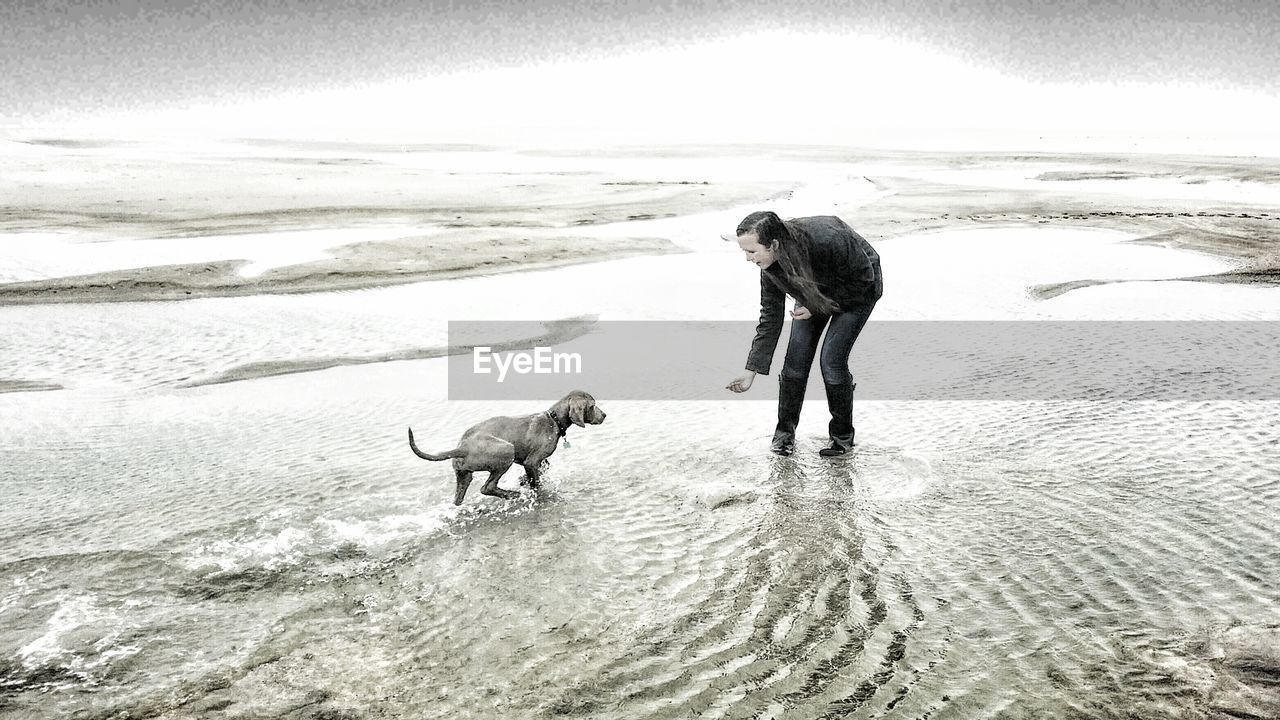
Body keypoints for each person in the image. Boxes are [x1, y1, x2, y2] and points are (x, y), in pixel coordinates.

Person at [724, 211, 883, 456]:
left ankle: (842, 439)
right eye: (744, 252)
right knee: (795, 363)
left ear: (774, 244)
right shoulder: (769, 265)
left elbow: (865, 279)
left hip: (857, 287)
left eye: (752, 251)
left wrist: (821, 304)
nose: (747, 259)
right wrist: (750, 371)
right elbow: (770, 319)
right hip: (812, 292)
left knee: (831, 361)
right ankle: (784, 435)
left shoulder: (828, 237)